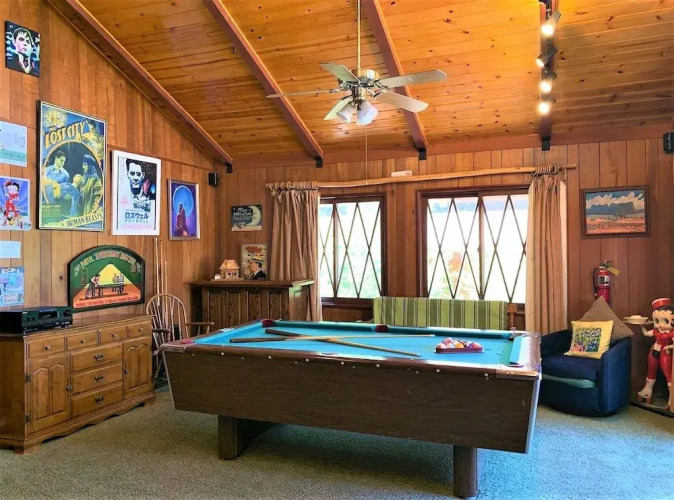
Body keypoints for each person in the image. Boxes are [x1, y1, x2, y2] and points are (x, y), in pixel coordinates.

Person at [637, 298, 674, 405]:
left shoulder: (671, 333)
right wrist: (641, 326)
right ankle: (647, 390)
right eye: (657, 321)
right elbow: (646, 334)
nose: (660, 325)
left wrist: (670, 347)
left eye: (665, 321)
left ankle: (671, 397)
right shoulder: (656, 331)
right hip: (655, 350)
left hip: (665, 352)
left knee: (668, 373)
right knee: (651, 369)